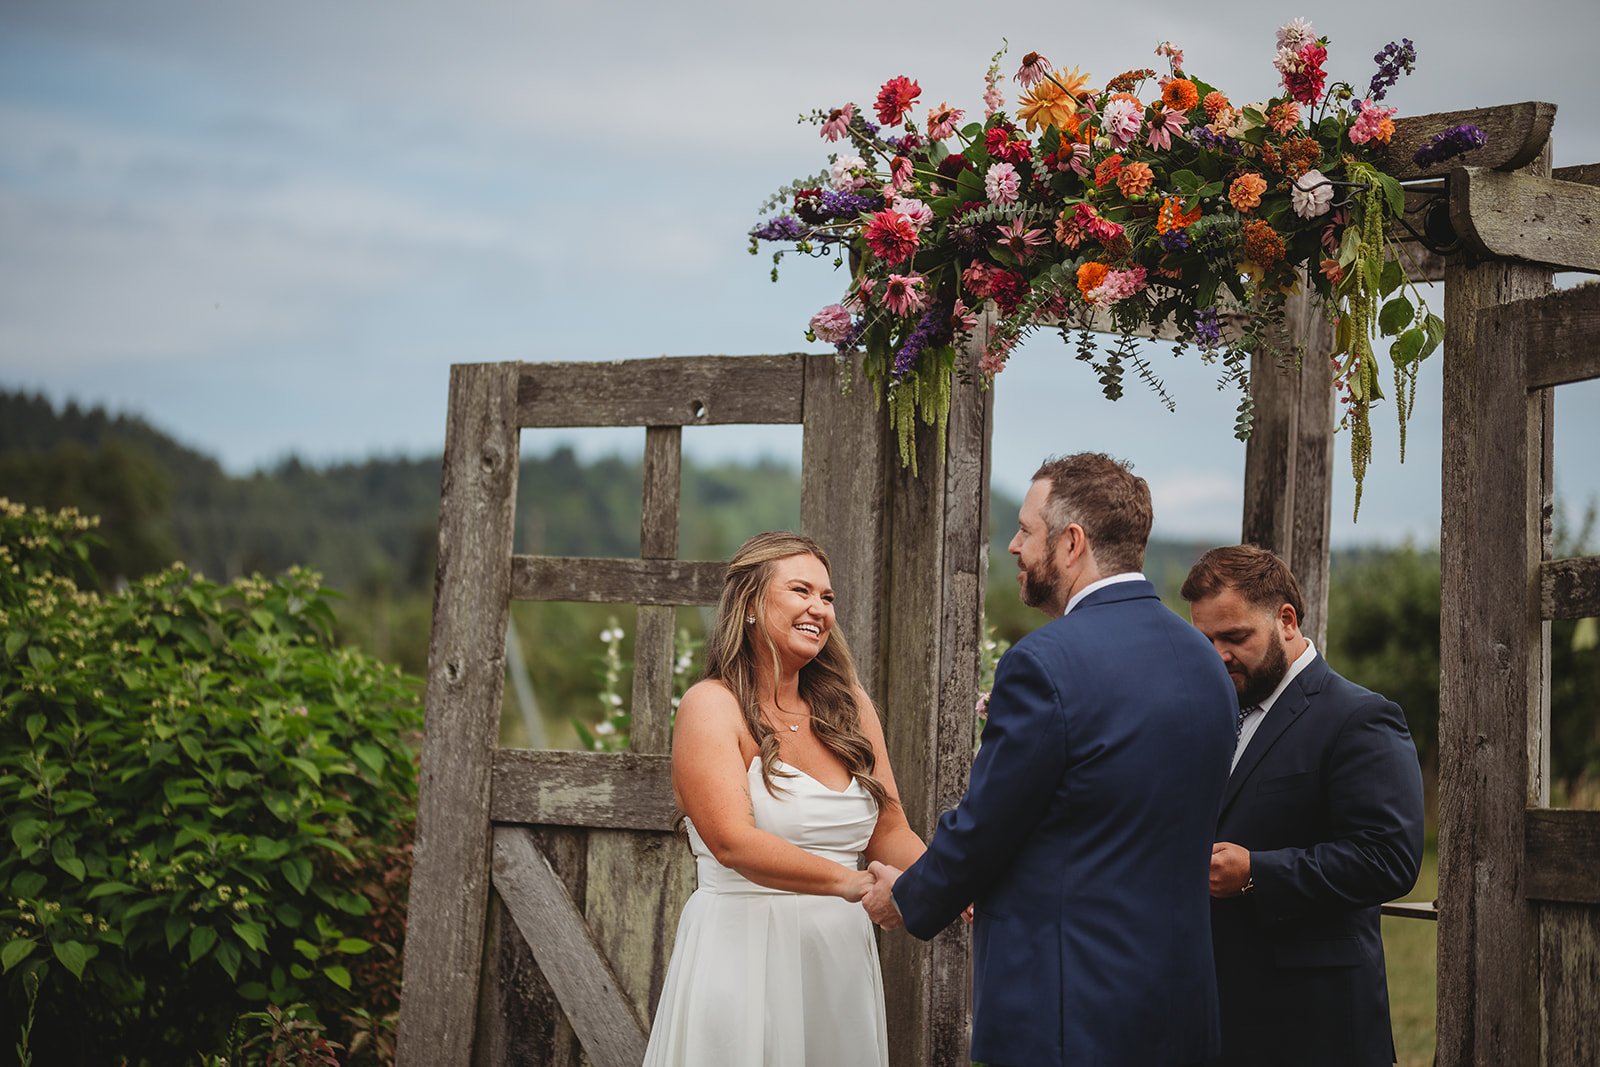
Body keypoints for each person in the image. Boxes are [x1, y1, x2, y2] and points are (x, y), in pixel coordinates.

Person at [863, 453, 1237, 1067]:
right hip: (1179, 1003)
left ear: (1071, 543)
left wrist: (908, 896)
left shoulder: (1044, 664)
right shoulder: (1204, 662)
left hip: (1067, 1009)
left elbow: (988, 823)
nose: (1012, 546)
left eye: (1025, 530)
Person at [642, 531, 924, 1067]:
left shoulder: (850, 709)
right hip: (743, 956)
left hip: (837, 963)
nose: (819, 609)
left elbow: (889, 830)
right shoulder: (712, 706)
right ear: (749, 603)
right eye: (801, 591)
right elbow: (733, 842)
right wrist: (854, 882)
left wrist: (952, 884)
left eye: (828, 597)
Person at [1180, 545, 1424, 1067]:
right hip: (1218, 1016)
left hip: (1316, 1026)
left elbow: (1390, 858)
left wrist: (1255, 873)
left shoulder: (1360, 717)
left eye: (1235, 637)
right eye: (1205, 641)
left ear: (1285, 620)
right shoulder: (1211, 712)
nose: (1218, 655)